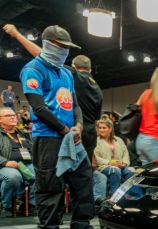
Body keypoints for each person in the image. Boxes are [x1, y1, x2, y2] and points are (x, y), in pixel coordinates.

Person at [20, 25, 100, 229]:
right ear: (47, 43)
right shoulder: (32, 69)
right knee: (50, 184)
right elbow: (39, 108)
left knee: (83, 179)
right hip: (48, 138)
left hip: (71, 136)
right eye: (61, 46)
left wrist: (78, 126)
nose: (65, 50)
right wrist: (65, 130)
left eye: (67, 47)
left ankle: (81, 227)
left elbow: (75, 105)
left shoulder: (66, 72)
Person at [3, 25, 103, 164]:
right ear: (90, 69)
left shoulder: (70, 74)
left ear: (73, 67)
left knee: (53, 177)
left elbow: (42, 56)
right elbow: (96, 116)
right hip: (84, 131)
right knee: (78, 175)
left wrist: (16, 34)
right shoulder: (96, 87)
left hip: (67, 131)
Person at [0, 107, 35, 217]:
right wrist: (5, 162)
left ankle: (31, 204)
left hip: (26, 164)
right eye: (8, 115)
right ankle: (7, 206)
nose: (13, 117)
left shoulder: (23, 133)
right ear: (0, 120)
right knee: (14, 177)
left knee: (42, 174)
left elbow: (32, 148)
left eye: (14, 115)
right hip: (5, 166)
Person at [94, 117, 133, 196]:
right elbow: (95, 157)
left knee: (130, 172)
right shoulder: (96, 141)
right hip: (103, 166)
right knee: (115, 170)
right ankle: (114, 195)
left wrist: (124, 163)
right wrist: (109, 162)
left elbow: (125, 153)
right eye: (100, 128)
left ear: (110, 128)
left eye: (104, 128)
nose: (101, 130)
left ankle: (129, 195)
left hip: (119, 165)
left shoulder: (118, 140)